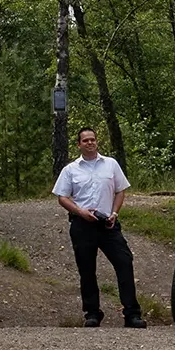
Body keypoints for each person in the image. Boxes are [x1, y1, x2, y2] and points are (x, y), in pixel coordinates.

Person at [53, 127, 146, 328]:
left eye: (92, 139)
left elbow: (121, 190)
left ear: (97, 142)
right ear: (79, 144)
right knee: (87, 269)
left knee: (124, 261)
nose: (90, 143)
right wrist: (79, 212)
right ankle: (92, 313)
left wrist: (114, 213)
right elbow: (62, 197)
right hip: (82, 224)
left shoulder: (110, 165)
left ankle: (132, 313)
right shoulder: (70, 170)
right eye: (85, 140)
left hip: (108, 224)